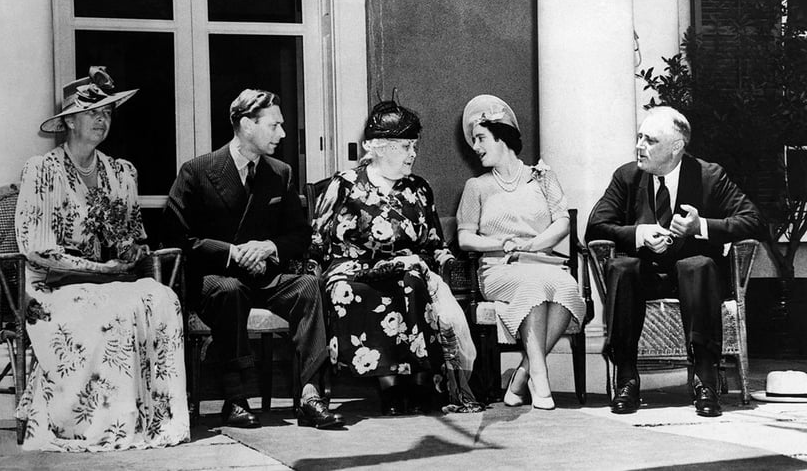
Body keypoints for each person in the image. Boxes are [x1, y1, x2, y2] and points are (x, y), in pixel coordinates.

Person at [14, 66, 189, 451]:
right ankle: (93, 426)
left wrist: (131, 252)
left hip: (110, 281)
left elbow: (135, 237)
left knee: (161, 299)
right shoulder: (42, 170)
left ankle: (153, 422)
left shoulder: (121, 172)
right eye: (93, 112)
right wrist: (99, 269)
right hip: (54, 288)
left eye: (107, 113)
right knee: (109, 312)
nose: (102, 119)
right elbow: (37, 250)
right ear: (70, 122)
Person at [163, 88, 343, 429]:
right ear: (247, 124)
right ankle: (235, 398)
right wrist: (232, 253)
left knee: (309, 285)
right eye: (274, 125)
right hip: (217, 280)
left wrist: (269, 247)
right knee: (230, 290)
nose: (283, 133)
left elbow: (299, 235)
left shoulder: (280, 173)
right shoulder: (197, 172)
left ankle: (309, 395)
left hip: (265, 276)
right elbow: (177, 238)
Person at [586, 106, 764, 417]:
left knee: (697, 265)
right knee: (622, 267)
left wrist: (702, 227)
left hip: (694, 279)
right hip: (647, 278)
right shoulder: (627, 176)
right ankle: (627, 378)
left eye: (650, 140)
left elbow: (753, 220)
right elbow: (596, 226)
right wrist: (638, 233)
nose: (640, 146)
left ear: (676, 147)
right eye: (639, 137)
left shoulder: (709, 175)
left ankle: (705, 379)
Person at [310, 98, 481, 416]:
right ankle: (389, 384)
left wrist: (447, 263)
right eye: (405, 146)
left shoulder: (419, 189)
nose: (413, 154)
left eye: (414, 146)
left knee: (412, 280)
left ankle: (416, 381)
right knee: (361, 290)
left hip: (407, 268)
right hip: (352, 268)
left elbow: (432, 242)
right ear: (379, 147)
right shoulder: (344, 185)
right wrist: (316, 268)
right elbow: (318, 239)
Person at [456, 94, 586, 410]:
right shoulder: (476, 187)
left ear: (502, 137)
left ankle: (521, 375)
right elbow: (464, 239)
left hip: (541, 261)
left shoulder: (542, 176)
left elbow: (562, 223)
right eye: (474, 140)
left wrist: (532, 244)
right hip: (499, 269)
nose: (476, 147)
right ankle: (541, 382)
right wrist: (501, 244)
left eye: (481, 138)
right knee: (535, 285)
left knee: (567, 287)